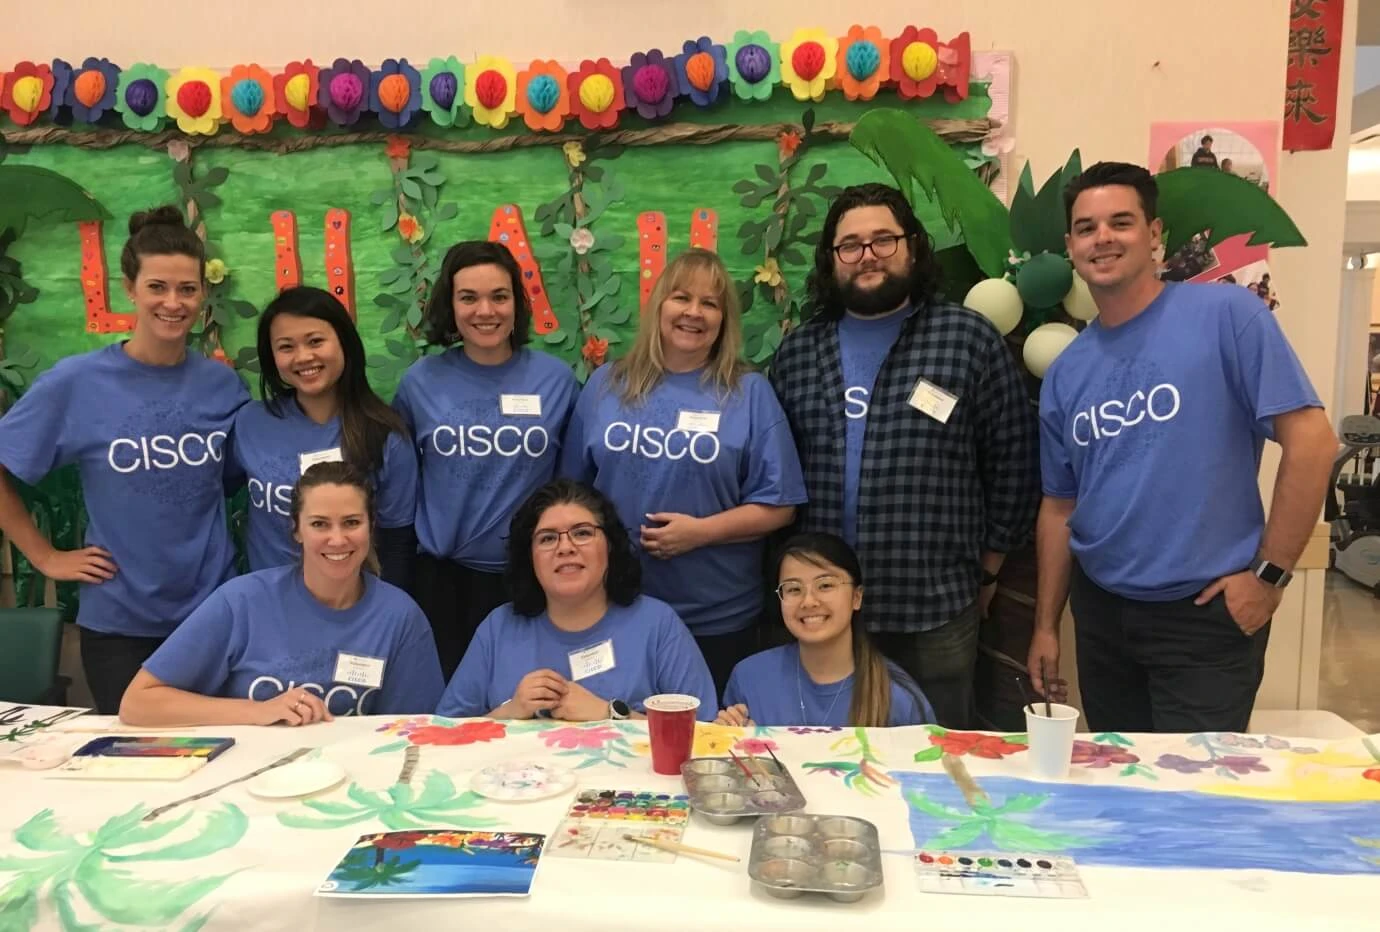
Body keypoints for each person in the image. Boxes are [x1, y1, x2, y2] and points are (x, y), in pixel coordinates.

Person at [1031, 161, 1336, 733]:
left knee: (1197, 799)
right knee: (1121, 782)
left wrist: (1269, 578)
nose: (1103, 238)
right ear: (1070, 245)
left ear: (1155, 235)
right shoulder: (1067, 371)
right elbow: (1059, 508)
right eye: (1086, 227)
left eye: (1121, 222)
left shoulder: (1228, 316)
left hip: (1204, 616)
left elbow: (1313, 444)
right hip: (1102, 615)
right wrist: (1047, 625)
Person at [769, 183, 1039, 728]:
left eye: (883, 240)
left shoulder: (967, 339)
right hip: (820, 607)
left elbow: (1014, 464)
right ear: (831, 260)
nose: (867, 254)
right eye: (850, 245)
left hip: (932, 602)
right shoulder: (799, 352)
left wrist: (986, 574)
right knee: (824, 750)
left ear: (912, 247)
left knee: (938, 753)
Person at [0, 206, 249, 714]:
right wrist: (45, 557)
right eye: (158, 287)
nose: (173, 302)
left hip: (213, 615)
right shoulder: (77, 383)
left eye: (188, 289)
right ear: (130, 288)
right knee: (138, 764)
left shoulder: (223, 386)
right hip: (120, 624)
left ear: (204, 294)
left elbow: (228, 484)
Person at [560, 248, 805, 695]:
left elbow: (780, 506)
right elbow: (571, 495)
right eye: (681, 298)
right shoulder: (606, 384)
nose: (693, 312)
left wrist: (701, 533)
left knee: (705, 745)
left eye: (709, 303)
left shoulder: (749, 393)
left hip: (716, 615)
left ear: (723, 319)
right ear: (659, 307)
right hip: (614, 606)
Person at [120, 461, 443, 725]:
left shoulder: (400, 617)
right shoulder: (241, 602)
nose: (337, 538)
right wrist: (258, 711)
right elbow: (138, 703)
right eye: (319, 524)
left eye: (351, 522)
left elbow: (415, 730)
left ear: (371, 526)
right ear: (296, 530)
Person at [394, 241, 579, 679]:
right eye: (468, 298)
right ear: (450, 304)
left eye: (499, 296)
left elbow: (571, 484)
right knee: (452, 711)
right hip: (443, 582)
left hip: (532, 576)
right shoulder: (420, 382)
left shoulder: (555, 380)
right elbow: (400, 486)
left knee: (532, 702)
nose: (486, 311)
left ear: (517, 302)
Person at [436, 479, 717, 721]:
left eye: (582, 533)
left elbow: (705, 738)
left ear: (609, 544)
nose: (565, 548)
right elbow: (442, 736)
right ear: (528, 556)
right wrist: (509, 712)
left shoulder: (658, 624)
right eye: (547, 539)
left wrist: (611, 714)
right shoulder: (498, 627)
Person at [230, 286, 417, 589]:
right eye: (286, 346)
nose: (303, 357)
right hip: (269, 606)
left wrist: (385, 613)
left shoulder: (385, 435)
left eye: (316, 341)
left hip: (353, 609)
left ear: (343, 341)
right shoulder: (251, 422)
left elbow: (398, 545)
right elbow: (208, 491)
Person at [716, 532, 934, 728]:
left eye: (825, 585)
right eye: (793, 589)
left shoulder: (898, 696)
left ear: (857, 597)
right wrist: (728, 738)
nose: (808, 601)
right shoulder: (749, 677)